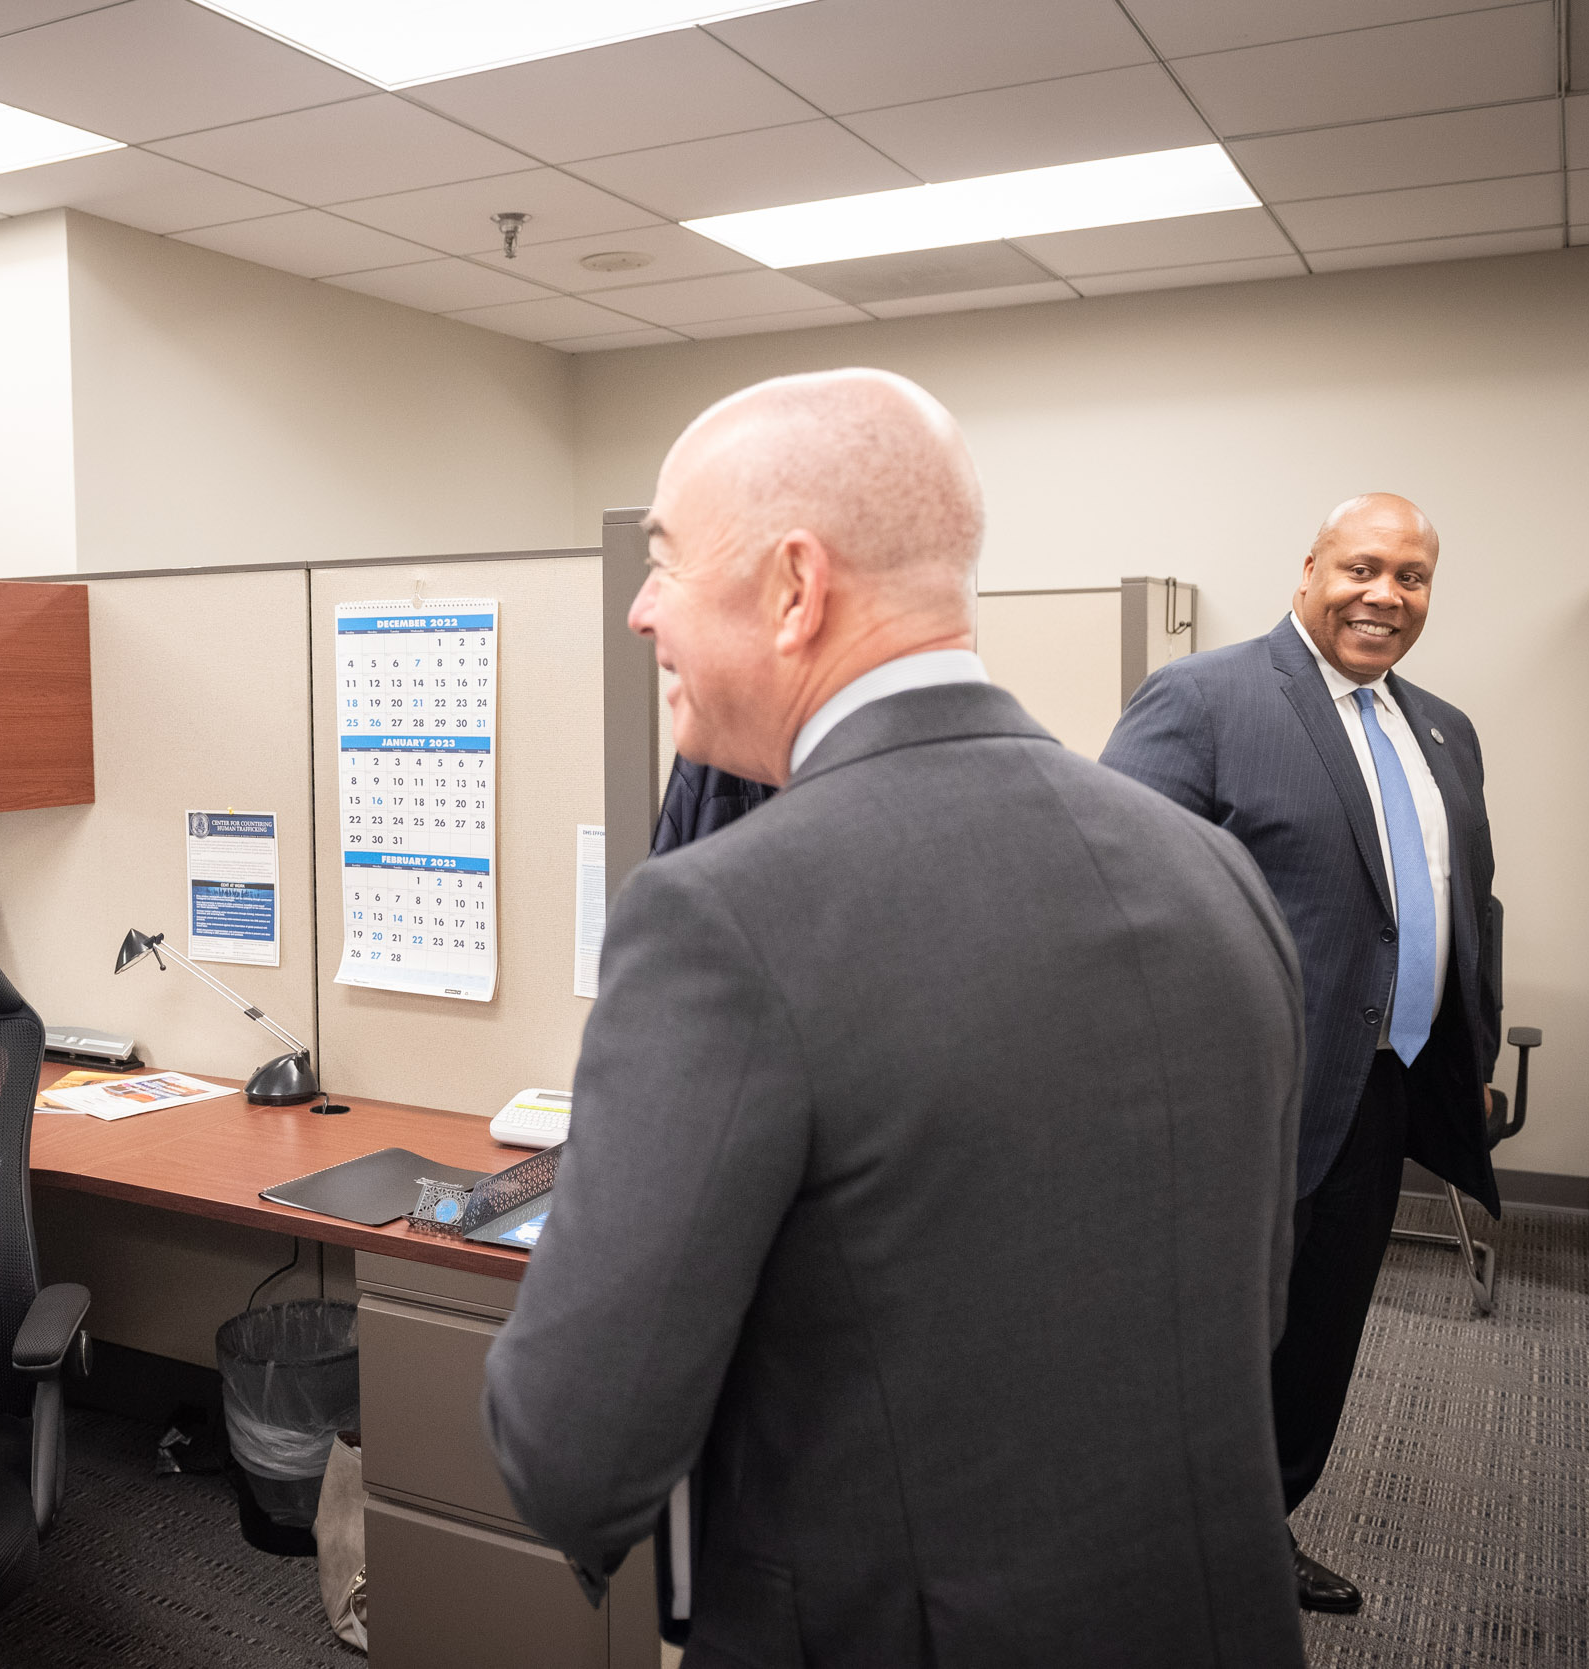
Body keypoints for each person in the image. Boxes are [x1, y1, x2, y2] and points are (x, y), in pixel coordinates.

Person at [482, 369, 1307, 1668]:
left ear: (794, 589)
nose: (641, 612)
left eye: (665, 565)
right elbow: (1237, 1309)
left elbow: (574, 1450)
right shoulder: (1212, 869)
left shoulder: (726, 916)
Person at [1101, 494, 1502, 1615]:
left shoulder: (1442, 729)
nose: (1385, 596)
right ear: (1311, 566)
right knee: (1207, 1342)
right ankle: (1140, 1555)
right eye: (1363, 568)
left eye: (1411, 577)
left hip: (1379, 1090)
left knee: (1317, 1340)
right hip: (1236, 1101)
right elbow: (1112, 901)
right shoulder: (1206, 698)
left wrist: (1466, 1038)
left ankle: (1251, 1533)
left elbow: (1468, 898)